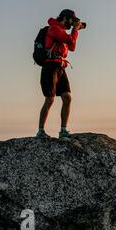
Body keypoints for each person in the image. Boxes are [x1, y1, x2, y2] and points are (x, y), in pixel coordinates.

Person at [36, 9, 84, 138]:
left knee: (67, 97)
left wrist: (75, 30)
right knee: (50, 99)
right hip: (50, 67)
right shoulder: (54, 29)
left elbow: (72, 47)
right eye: (72, 21)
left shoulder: (61, 31)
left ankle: (63, 130)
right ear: (66, 18)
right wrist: (75, 30)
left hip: (60, 67)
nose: (72, 24)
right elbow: (70, 41)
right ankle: (40, 131)